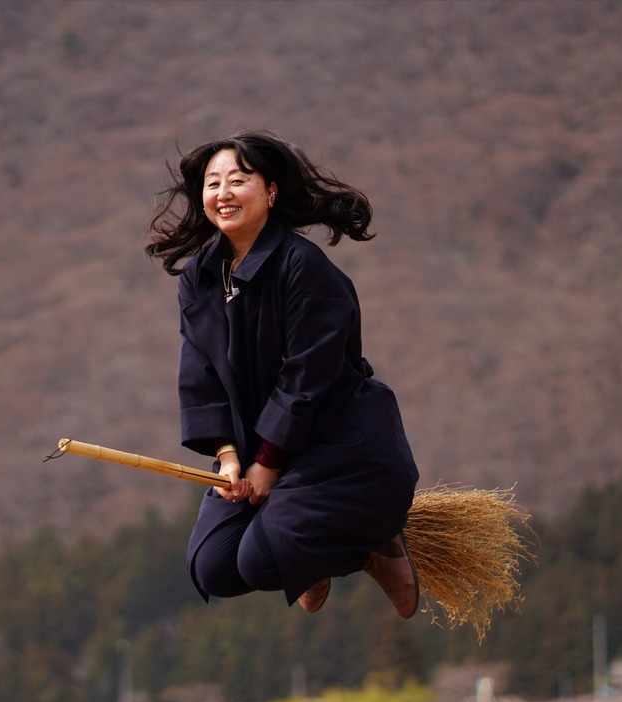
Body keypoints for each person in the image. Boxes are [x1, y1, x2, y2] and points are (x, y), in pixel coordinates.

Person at [145, 131, 420, 618]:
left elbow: (306, 377)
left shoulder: (303, 266)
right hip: (253, 450)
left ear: (270, 192)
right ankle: (308, 556)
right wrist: (228, 457)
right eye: (213, 183)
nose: (223, 193)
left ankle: (375, 547)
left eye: (238, 179)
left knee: (259, 561)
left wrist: (267, 463)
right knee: (213, 567)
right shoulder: (199, 277)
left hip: (338, 447)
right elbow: (199, 373)